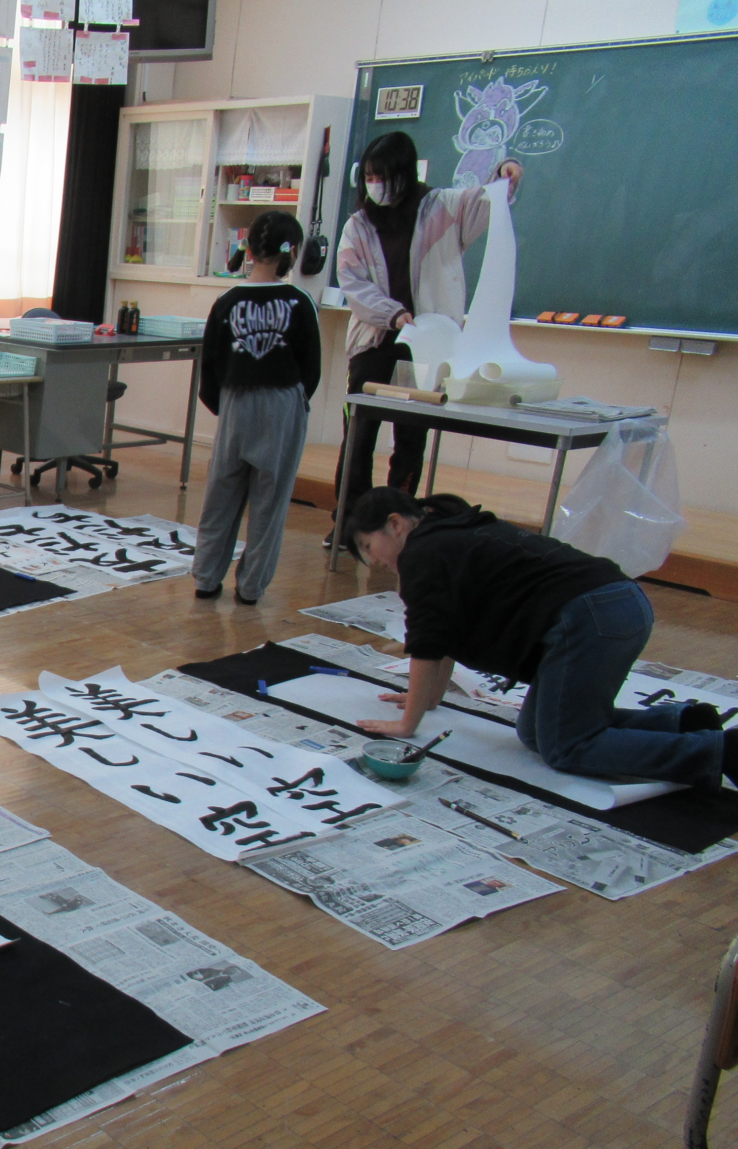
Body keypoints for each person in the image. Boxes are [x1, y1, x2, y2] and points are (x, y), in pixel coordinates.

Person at [342, 488, 736, 787]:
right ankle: (680, 723)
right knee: (535, 732)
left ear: (395, 524)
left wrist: (408, 725)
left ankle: (718, 753)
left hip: (592, 616)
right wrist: (425, 698)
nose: (373, 558)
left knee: (567, 746)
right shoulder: (444, 533)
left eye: (368, 545)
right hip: (613, 604)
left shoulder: (424, 553)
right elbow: (442, 634)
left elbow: (427, 642)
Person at [329, 132, 524, 541]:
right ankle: (349, 525)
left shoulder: (440, 208)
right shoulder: (359, 225)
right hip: (374, 344)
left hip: (426, 351)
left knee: (410, 440)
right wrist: (394, 315)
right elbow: (354, 283)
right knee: (359, 437)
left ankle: (400, 528)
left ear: (403, 175)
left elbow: (483, 201)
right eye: (368, 175)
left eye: (382, 176)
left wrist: (503, 177)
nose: (374, 184)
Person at [190, 210, 321, 605]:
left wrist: (224, 406)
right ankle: (251, 587)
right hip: (282, 404)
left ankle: (206, 577)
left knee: (221, 494)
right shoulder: (300, 302)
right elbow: (311, 368)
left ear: (248, 249)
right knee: (271, 500)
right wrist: (294, 403)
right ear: (292, 252)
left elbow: (209, 364)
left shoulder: (227, 301)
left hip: (235, 402)